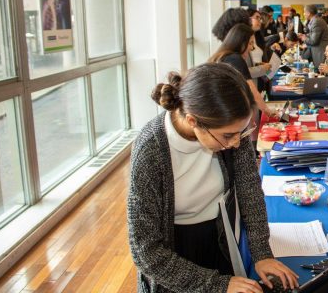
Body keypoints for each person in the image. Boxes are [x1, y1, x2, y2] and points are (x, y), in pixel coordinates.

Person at [128, 63, 298, 293]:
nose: (237, 143)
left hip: (219, 239)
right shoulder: (151, 150)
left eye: (242, 132)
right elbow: (145, 251)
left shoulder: (228, 130)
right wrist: (217, 285)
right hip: (172, 259)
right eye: (228, 136)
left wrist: (261, 253)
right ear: (192, 121)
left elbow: (250, 191)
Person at [209, 24, 276, 118]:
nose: (252, 48)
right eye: (250, 43)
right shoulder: (235, 59)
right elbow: (252, 91)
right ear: (240, 42)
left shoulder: (225, 56)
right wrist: (268, 111)